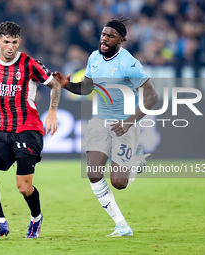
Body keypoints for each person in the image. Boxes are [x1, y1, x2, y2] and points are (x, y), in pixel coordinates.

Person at [53, 17, 158, 237]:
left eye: (110, 36)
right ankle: (122, 226)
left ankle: (135, 160)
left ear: (121, 40)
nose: (104, 39)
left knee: (119, 182)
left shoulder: (128, 62)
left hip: (124, 125)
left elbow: (152, 97)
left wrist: (129, 121)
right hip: (99, 121)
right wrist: (67, 85)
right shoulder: (94, 58)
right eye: (103, 34)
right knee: (93, 172)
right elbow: (87, 88)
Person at [0, 21, 61, 238]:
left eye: (14, 42)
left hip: (27, 130)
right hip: (1, 129)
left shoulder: (30, 65)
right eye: (6, 42)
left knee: (24, 187)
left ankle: (36, 218)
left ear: (19, 42)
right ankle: (1, 222)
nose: (10, 47)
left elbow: (55, 85)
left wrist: (52, 112)